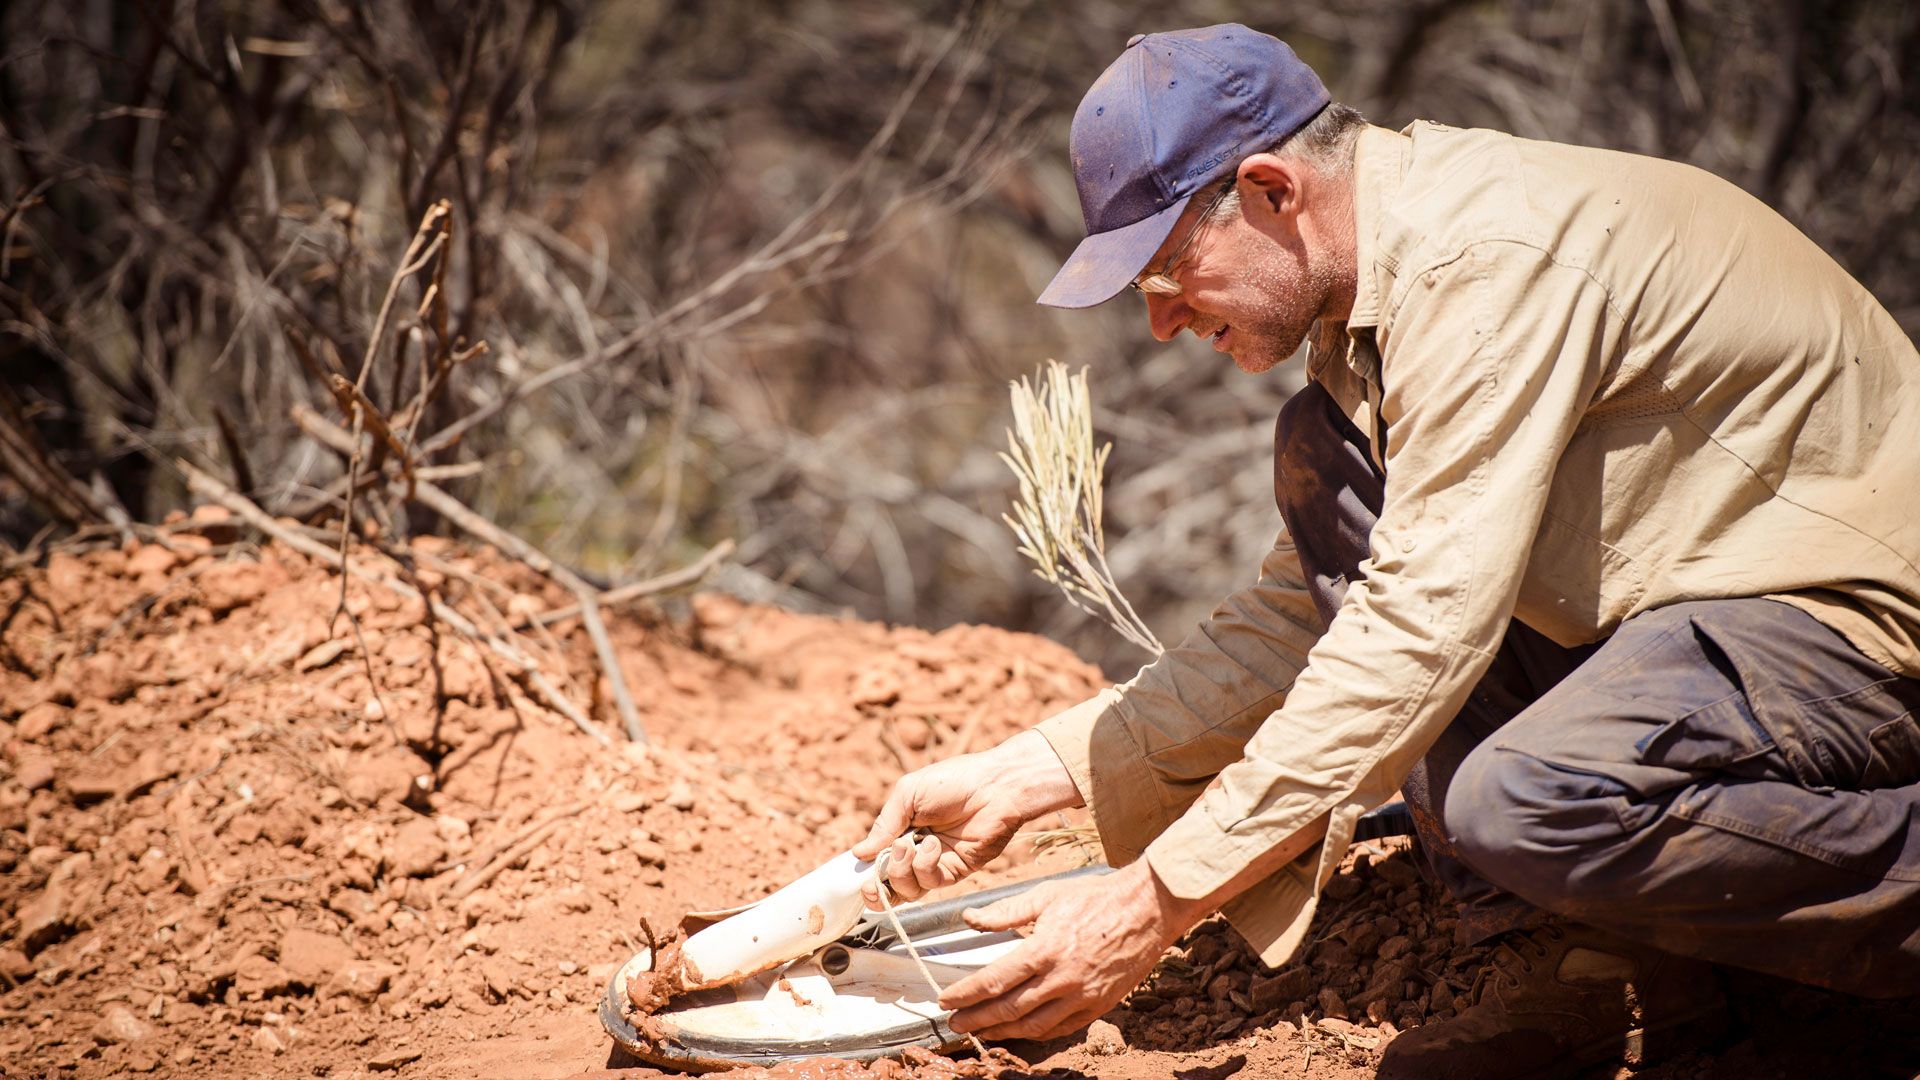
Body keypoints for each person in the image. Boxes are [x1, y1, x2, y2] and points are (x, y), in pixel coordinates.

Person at [853, 22, 1920, 1078]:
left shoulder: (1483, 269)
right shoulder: (1378, 298)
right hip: (1703, 606)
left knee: (1525, 797)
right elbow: (1311, 617)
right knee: (1327, 462)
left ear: (1273, 190)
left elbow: (1416, 629)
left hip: (1851, 623)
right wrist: (1040, 770)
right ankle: (1579, 964)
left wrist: (1153, 901)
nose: (1163, 323)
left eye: (1171, 268)